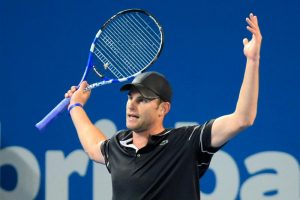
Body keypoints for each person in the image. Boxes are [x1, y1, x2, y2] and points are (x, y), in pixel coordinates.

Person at [65, 13, 262, 200]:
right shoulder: (118, 146)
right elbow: (92, 147)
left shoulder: (187, 142)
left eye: (142, 100)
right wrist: (76, 106)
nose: (131, 105)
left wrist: (252, 60)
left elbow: (242, 119)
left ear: (163, 109)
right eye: (130, 97)